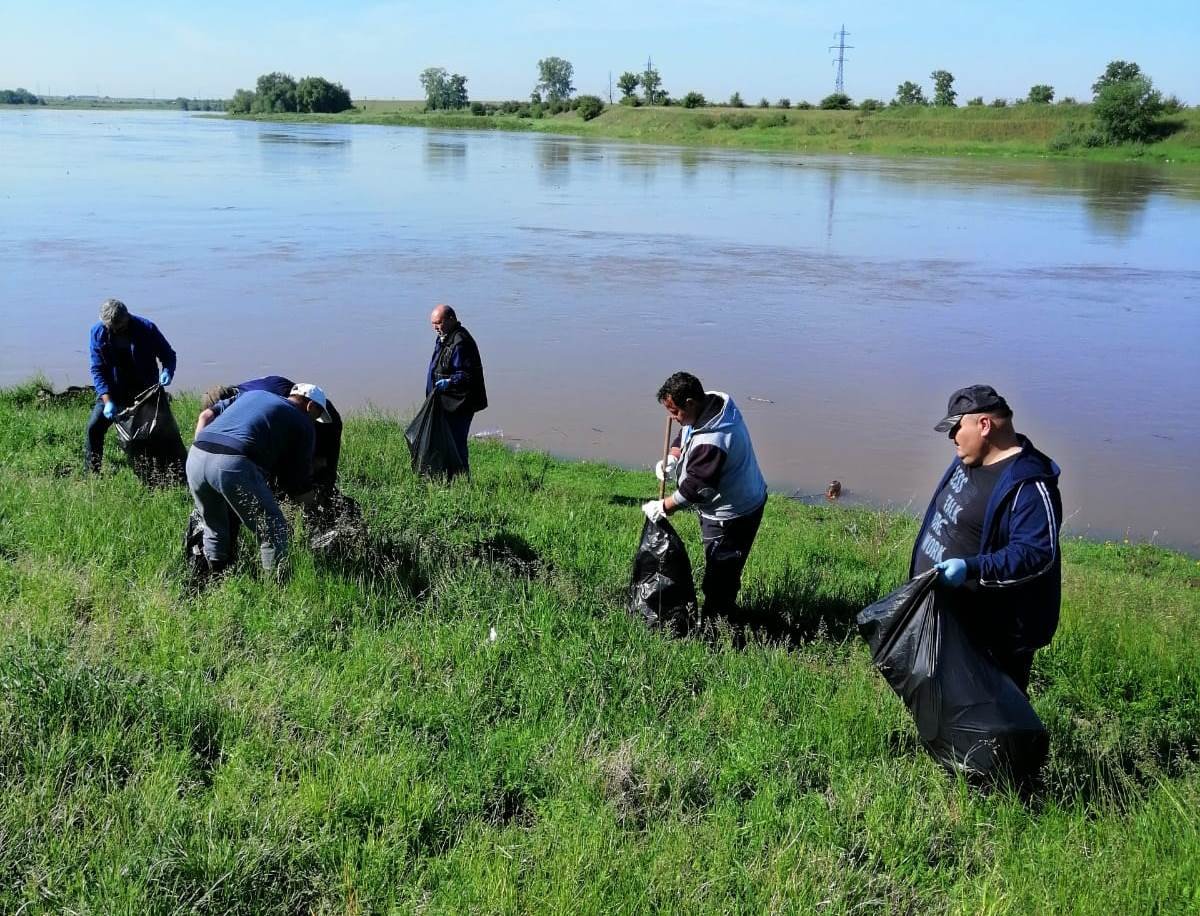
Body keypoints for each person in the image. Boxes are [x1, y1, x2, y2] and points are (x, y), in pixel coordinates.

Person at [911, 385, 1063, 694]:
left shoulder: (1031, 485)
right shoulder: (968, 458)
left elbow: (1036, 554)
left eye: (956, 428)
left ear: (984, 425)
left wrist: (970, 568)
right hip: (950, 616)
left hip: (994, 635)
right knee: (943, 702)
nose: (951, 437)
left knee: (992, 719)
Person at [642, 372, 768, 617]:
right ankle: (716, 616)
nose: (673, 418)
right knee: (719, 567)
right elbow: (686, 432)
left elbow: (696, 489)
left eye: (675, 411)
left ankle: (717, 630)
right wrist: (674, 456)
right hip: (727, 503)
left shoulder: (714, 439)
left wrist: (664, 506)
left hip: (733, 514)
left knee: (722, 573)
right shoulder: (708, 404)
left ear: (690, 402)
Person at [186, 384, 332, 579]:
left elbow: (206, 415)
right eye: (317, 415)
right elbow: (298, 483)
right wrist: (314, 508)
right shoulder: (302, 421)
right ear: (310, 406)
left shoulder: (253, 394)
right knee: (273, 529)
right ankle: (275, 591)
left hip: (196, 455)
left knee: (215, 527)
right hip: (233, 462)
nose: (314, 421)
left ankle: (214, 578)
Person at [200, 375, 343, 490]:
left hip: (323, 420)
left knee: (318, 473)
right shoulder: (249, 394)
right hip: (309, 412)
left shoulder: (260, 399)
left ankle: (325, 507)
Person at [86, 298, 177, 473]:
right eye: (110, 327)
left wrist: (168, 371)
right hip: (113, 391)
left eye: (118, 327)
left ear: (127, 316)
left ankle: (164, 469)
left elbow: (168, 355)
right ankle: (92, 472)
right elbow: (97, 369)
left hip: (144, 391)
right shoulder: (98, 332)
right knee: (94, 428)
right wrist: (107, 401)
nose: (114, 330)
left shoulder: (147, 328)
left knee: (157, 432)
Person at [426, 304, 487, 472]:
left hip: (459, 405)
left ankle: (461, 479)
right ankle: (448, 476)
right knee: (444, 443)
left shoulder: (461, 342)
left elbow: (467, 375)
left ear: (451, 319)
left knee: (456, 443)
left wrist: (449, 382)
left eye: (438, 323)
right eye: (433, 323)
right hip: (445, 402)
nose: (435, 327)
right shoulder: (444, 337)